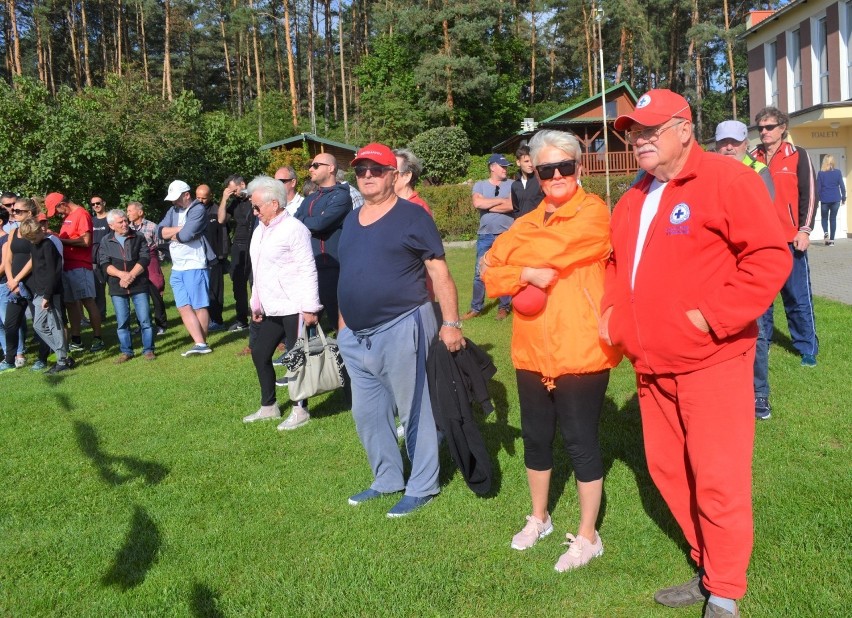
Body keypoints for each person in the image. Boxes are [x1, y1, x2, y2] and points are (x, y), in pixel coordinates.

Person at [601, 89, 791, 618]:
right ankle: (708, 565)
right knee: (669, 471)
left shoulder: (729, 180)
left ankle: (726, 591)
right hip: (651, 366)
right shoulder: (634, 196)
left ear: (684, 129)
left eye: (649, 129)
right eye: (632, 132)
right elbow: (617, 265)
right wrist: (614, 315)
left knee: (718, 477)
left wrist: (710, 318)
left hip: (713, 362)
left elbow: (768, 258)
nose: (638, 139)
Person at [481, 130, 621, 570]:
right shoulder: (526, 221)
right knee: (537, 440)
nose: (557, 175)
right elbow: (489, 273)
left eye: (565, 167)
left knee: (581, 443)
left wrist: (516, 261)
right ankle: (538, 517)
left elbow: (562, 247)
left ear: (580, 169)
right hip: (530, 350)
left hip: (580, 349)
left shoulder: (595, 212)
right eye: (547, 169)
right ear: (537, 174)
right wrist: (524, 270)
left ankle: (587, 535)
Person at [336, 142, 464, 518]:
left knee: (415, 409)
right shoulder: (351, 218)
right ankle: (387, 479)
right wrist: (344, 326)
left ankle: (423, 485)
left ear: (394, 175)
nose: (368, 176)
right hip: (355, 335)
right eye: (361, 171)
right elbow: (349, 272)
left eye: (376, 170)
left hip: (403, 324)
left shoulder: (412, 216)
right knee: (368, 413)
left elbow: (439, 272)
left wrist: (452, 324)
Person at [240, 176, 322, 430]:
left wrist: (310, 307)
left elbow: (308, 268)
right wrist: (256, 303)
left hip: (294, 306)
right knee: (260, 353)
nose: (254, 212)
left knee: (296, 359)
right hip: (271, 306)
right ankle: (269, 406)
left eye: (257, 207)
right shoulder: (260, 230)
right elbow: (259, 270)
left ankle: (300, 409)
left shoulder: (294, 229)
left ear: (274, 204)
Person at [714, 119, 779, 421]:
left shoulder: (758, 172)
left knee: (759, 331)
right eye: (723, 142)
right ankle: (726, 392)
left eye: (734, 142)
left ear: (744, 144)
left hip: (749, 268)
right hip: (718, 269)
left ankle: (760, 394)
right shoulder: (708, 171)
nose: (728, 147)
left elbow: (763, 222)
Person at [751, 106, 819, 368]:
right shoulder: (752, 158)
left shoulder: (798, 155)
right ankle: (762, 343)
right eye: (761, 128)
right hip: (760, 242)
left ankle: (806, 347)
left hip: (791, 240)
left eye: (769, 127)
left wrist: (804, 229)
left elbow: (809, 195)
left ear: (782, 128)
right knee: (762, 300)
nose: (764, 132)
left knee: (797, 297)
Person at [295, 153, 352, 332]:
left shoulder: (341, 197)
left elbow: (321, 223)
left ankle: (348, 356)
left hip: (331, 268)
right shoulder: (311, 198)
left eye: (316, 165)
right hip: (309, 267)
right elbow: (294, 221)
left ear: (331, 168)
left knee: (339, 320)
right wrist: (311, 221)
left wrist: (308, 221)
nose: (311, 169)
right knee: (306, 317)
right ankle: (306, 354)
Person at [158, 180, 213, 356]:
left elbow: (186, 235)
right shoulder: (173, 209)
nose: (174, 202)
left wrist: (174, 233)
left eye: (177, 198)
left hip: (195, 263)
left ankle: (201, 343)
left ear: (187, 195)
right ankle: (199, 343)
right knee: (183, 306)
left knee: (199, 305)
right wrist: (180, 231)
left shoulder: (198, 209)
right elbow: (159, 231)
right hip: (177, 266)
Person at [46, 192, 106, 353]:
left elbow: (86, 241)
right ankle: (76, 339)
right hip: (67, 266)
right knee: (71, 303)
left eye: (56, 209)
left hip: (80, 265)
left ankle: (98, 338)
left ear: (62, 203)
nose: (58, 213)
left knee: (88, 300)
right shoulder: (68, 218)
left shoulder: (81, 214)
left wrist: (59, 239)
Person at [462, 153, 514, 321]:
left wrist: (488, 203)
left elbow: (512, 205)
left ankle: (504, 307)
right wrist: (500, 200)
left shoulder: (513, 185)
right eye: (502, 166)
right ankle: (476, 308)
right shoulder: (480, 185)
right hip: (485, 235)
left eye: (506, 166)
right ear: (492, 167)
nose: (506, 169)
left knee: (504, 271)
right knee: (480, 272)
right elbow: (477, 203)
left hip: (506, 235)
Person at [99, 209, 154, 363]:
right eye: (120, 222)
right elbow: (104, 264)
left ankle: (148, 350)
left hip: (139, 284)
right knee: (122, 322)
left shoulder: (139, 237)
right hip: (117, 287)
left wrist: (130, 275)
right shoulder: (105, 241)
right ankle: (126, 351)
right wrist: (121, 275)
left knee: (145, 320)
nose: (125, 224)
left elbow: (145, 258)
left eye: (125, 220)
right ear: (111, 225)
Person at [18, 217, 72, 373]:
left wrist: (47, 296)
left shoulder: (47, 244)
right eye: (31, 238)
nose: (35, 239)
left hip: (51, 293)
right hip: (39, 292)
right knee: (38, 325)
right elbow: (38, 270)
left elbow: (53, 272)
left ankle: (62, 360)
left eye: (35, 236)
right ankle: (62, 355)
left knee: (55, 325)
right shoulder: (34, 245)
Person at [1, 198, 37, 372]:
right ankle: (9, 359)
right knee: (10, 323)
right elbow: (7, 259)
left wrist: (18, 279)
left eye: (17, 211)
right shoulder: (13, 232)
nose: (13, 213)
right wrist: (11, 279)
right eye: (12, 210)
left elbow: (34, 259)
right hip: (14, 285)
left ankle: (44, 357)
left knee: (39, 322)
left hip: (31, 282)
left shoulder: (35, 231)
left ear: (29, 213)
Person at [217, 175, 254, 332]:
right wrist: (225, 199)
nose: (234, 193)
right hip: (238, 246)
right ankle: (241, 320)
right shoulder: (234, 202)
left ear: (243, 184)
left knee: (256, 282)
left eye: (235, 190)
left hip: (255, 242)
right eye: (231, 191)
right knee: (238, 284)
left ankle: (260, 317)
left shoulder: (254, 197)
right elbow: (221, 220)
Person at [127, 201, 167, 334]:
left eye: (130, 211)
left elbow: (160, 245)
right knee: (139, 293)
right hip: (136, 262)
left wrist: (157, 263)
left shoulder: (152, 226)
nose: (128, 214)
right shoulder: (128, 228)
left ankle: (161, 324)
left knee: (156, 292)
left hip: (151, 260)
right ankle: (142, 324)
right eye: (127, 211)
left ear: (140, 212)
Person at [197, 184, 227, 331]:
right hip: (198, 257)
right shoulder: (193, 211)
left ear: (210, 196)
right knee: (201, 290)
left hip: (215, 257)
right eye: (198, 197)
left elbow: (223, 233)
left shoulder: (216, 211)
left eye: (204, 198)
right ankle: (205, 319)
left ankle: (217, 320)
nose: (200, 201)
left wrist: (222, 254)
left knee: (215, 290)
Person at [816, 155, 846, 247]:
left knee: (824, 218)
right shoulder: (838, 172)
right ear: (833, 162)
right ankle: (832, 241)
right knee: (833, 219)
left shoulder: (821, 173)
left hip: (825, 199)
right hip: (836, 199)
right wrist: (843, 198)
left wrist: (817, 200)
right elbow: (842, 186)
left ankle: (826, 232)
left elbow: (818, 188)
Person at [510, 142, 545, 218]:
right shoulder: (515, 185)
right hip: (522, 227)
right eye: (526, 161)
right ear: (518, 162)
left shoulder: (541, 180)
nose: (530, 164)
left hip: (539, 225)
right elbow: (516, 209)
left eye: (532, 161)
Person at [393, 148, 432, 215]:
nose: (386, 177)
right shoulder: (387, 205)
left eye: (392, 173)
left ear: (407, 176)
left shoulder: (418, 209)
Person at [89, 195, 110, 320]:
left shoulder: (110, 219)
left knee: (115, 287)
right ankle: (101, 315)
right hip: (94, 259)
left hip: (110, 257)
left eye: (98, 203)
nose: (96, 206)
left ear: (104, 203)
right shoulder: (91, 221)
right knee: (98, 288)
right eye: (93, 204)